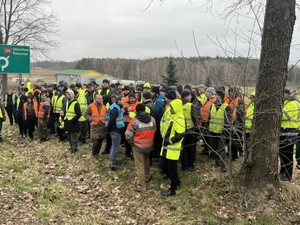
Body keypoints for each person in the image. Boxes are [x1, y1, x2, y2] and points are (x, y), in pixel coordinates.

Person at [125, 104, 156, 192]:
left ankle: (141, 186)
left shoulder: (134, 121)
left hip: (138, 146)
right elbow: (155, 130)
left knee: (139, 165)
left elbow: (128, 135)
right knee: (146, 161)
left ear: (136, 111)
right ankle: (147, 176)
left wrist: (132, 143)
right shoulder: (152, 119)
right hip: (149, 145)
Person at [160, 98, 186, 196]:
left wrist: (170, 141)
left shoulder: (179, 119)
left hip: (172, 149)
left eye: (172, 107)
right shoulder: (173, 116)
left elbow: (180, 134)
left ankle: (173, 188)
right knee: (163, 165)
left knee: (172, 169)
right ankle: (176, 181)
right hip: (167, 147)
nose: (170, 109)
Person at [208, 88, 232, 172]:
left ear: (220, 97)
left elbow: (228, 121)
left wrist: (225, 131)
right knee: (214, 148)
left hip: (221, 131)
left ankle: (222, 165)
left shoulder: (227, 107)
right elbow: (209, 118)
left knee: (221, 148)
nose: (215, 97)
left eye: (216, 95)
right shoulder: (212, 106)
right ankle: (217, 162)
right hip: (212, 130)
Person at [279, 88, 300, 181]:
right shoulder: (288, 103)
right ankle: (282, 172)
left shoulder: (293, 103)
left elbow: (283, 116)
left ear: (287, 94)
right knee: (283, 153)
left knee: (287, 154)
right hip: (285, 131)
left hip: (290, 132)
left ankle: (287, 175)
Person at [106, 96, 125, 171]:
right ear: (119, 100)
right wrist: (108, 130)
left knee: (114, 147)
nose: (124, 102)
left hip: (115, 130)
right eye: (123, 100)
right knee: (114, 147)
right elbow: (111, 120)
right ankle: (112, 164)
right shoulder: (115, 108)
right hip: (115, 130)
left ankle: (112, 162)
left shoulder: (115, 107)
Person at [84, 94, 107, 160]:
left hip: (102, 126)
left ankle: (97, 154)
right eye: (99, 98)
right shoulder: (91, 106)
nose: (101, 100)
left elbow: (106, 115)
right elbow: (85, 114)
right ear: (95, 99)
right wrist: (90, 119)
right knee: (96, 142)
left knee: (100, 142)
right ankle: (94, 154)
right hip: (95, 126)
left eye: (101, 98)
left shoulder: (104, 107)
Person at [180, 90, 198, 172]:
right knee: (191, 148)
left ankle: (184, 166)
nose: (191, 97)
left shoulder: (179, 105)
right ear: (186, 96)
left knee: (183, 148)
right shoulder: (190, 105)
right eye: (190, 96)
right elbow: (194, 117)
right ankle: (191, 165)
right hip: (190, 130)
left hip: (181, 130)